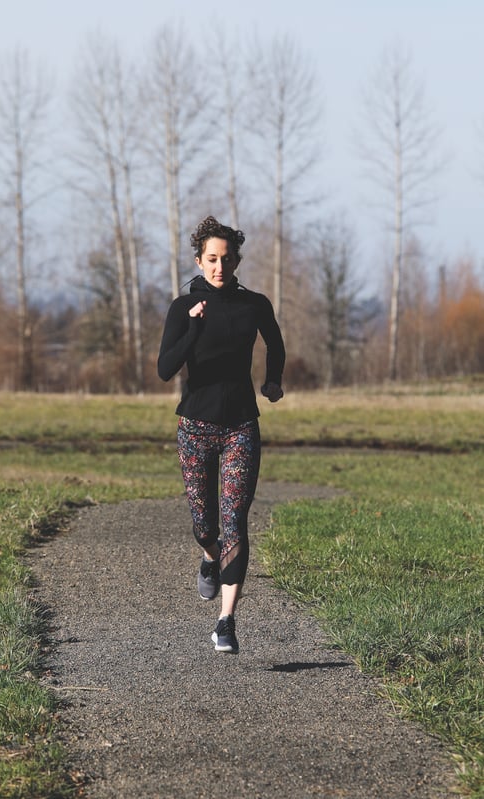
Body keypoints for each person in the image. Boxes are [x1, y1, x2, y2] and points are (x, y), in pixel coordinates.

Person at [157, 216, 285, 654]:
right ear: (199, 260)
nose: (219, 267)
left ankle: (226, 621)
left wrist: (273, 381)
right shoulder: (181, 307)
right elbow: (164, 369)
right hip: (194, 427)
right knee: (205, 525)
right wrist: (193, 327)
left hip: (240, 428)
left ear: (236, 261)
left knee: (235, 522)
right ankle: (209, 558)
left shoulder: (254, 304)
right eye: (211, 259)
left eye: (227, 259)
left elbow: (276, 343)